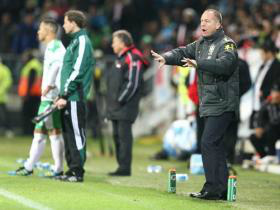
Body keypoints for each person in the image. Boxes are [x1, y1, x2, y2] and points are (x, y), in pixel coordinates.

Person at [151, 9, 239, 200]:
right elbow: (182, 51)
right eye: (201, 21)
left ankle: (212, 188)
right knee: (214, 145)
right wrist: (166, 58)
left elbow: (225, 65)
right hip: (209, 103)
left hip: (223, 103)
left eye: (207, 21)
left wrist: (199, 63)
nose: (203, 24)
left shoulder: (227, 45)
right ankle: (221, 189)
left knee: (208, 143)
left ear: (218, 24)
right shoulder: (200, 44)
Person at [14, 18, 65, 177]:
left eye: (40, 29)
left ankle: (57, 169)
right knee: (42, 135)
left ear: (49, 31)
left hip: (52, 98)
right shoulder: (50, 47)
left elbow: (59, 67)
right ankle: (30, 166)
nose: (38, 32)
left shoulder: (56, 47)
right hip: (48, 98)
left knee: (53, 134)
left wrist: (51, 87)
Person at [55, 10, 94, 182]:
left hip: (74, 97)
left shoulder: (82, 41)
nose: (63, 25)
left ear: (73, 22)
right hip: (67, 97)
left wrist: (64, 93)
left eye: (65, 22)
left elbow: (77, 71)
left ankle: (78, 172)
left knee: (77, 134)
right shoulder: (74, 42)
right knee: (68, 134)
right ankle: (71, 169)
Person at [106, 30, 148, 176]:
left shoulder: (133, 57)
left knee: (124, 137)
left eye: (114, 41)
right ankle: (121, 166)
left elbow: (133, 83)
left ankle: (124, 168)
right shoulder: (120, 58)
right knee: (117, 136)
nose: (112, 44)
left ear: (122, 42)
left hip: (125, 105)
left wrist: (120, 100)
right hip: (116, 105)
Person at [0, 58, 13, 136]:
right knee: (4, 115)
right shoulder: (5, 69)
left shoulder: (4, 70)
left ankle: (8, 130)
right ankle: (8, 130)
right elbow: (8, 82)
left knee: (3, 115)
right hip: (2, 96)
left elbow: (7, 82)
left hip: (1, 97)